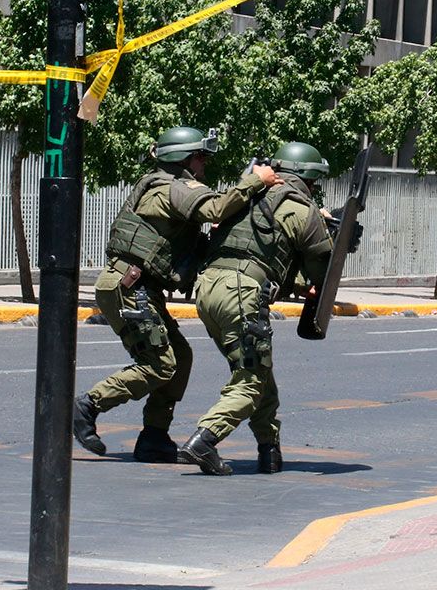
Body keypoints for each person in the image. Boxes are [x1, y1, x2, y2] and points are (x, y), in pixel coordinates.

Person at [72, 127, 281, 463]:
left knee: (179, 356)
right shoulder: (171, 186)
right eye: (200, 156)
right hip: (129, 284)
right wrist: (255, 180)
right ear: (183, 157)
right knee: (158, 363)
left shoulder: (169, 186)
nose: (204, 163)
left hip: (139, 285)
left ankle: (154, 435)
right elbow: (214, 209)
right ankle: (88, 405)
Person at [178, 141, 336, 476]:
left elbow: (267, 256)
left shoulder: (248, 192)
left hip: (208, 289)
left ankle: (269, 450)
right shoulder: (301, 210)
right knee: (250, 379)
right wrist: (331, 234)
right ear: (306, 179)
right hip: (242, 294)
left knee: (259, 370)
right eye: (313, 183)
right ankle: (203, 441)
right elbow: (323, 272)